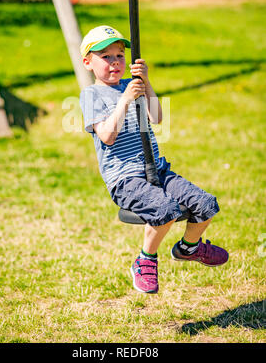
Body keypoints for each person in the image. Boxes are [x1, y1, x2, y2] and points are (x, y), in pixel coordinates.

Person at [79, 25, 229, 294]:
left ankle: (189, 248)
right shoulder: (91, 95)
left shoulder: (133, 85)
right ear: (88, 62)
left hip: (156, 168)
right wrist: (125, 99)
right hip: (125, 179)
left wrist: (146, 83)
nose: (114, 62)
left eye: (119, 55)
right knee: (165, 210)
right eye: (105, 56)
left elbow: (157, 117)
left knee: (206, 205)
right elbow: (107, 136)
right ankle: (145, 260)